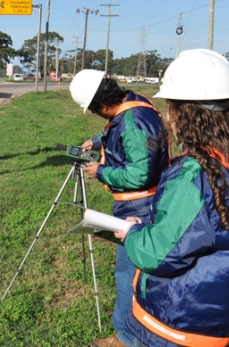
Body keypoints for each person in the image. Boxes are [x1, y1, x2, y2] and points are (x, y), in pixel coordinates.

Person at [114, 49, 229, 347]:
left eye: (170, 106)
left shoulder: (193, 175)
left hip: (176, 324)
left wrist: (132, 233)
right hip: (214, 319)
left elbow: (158, 254)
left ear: (184, 113)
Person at [69, 70, 170, 347]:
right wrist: (99, 141)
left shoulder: (133, 121)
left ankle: (126, 338)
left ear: (101, 106)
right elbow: (125, 133)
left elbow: (139, 174)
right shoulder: (135, 104)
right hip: (147, 204)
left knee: (128, 274)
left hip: (141, 208)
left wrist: (101, 171)